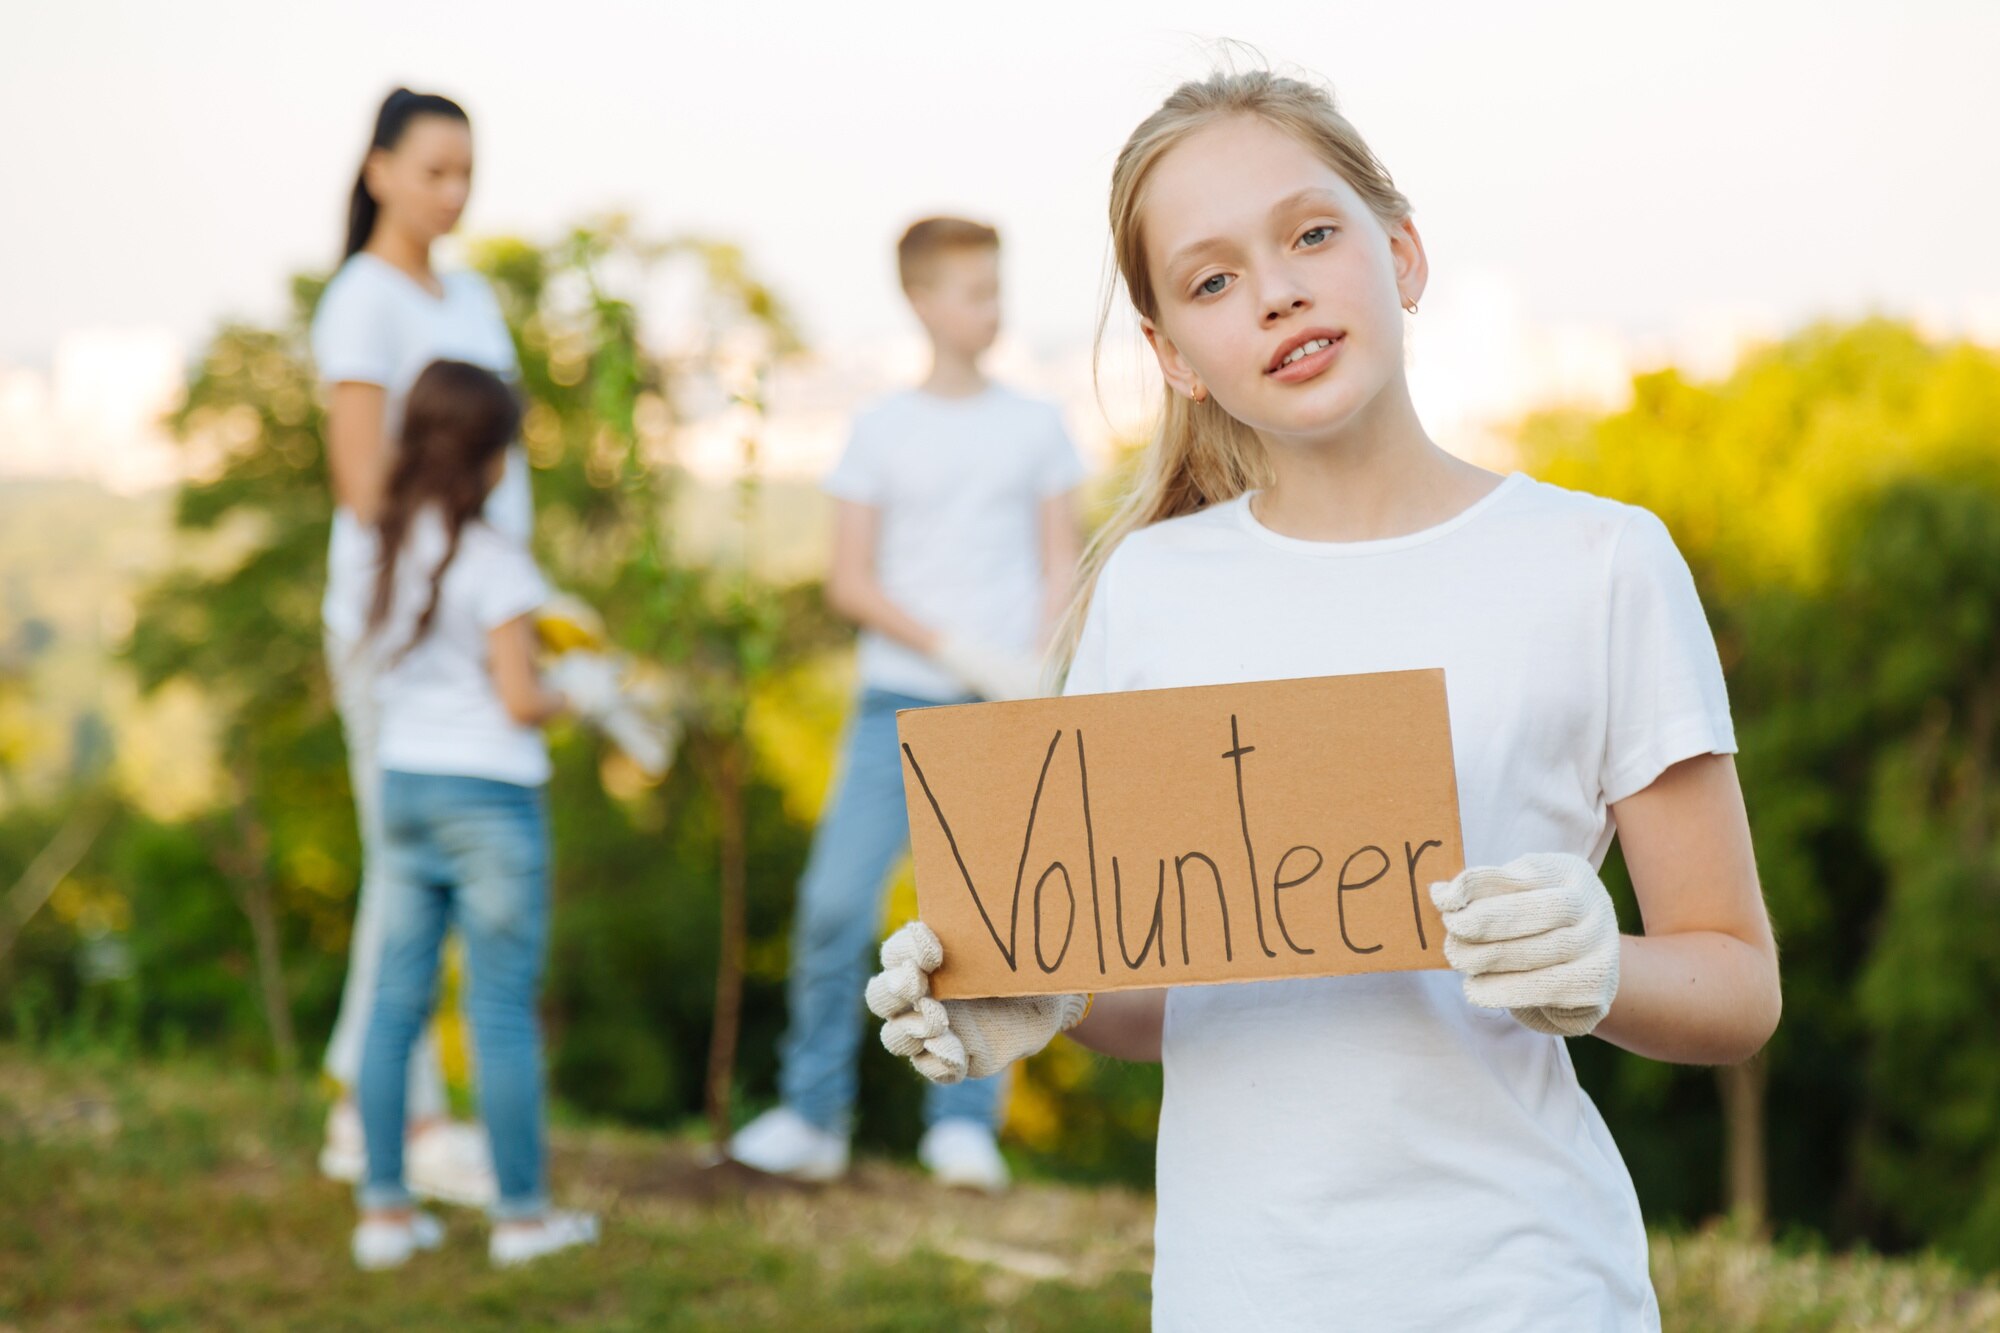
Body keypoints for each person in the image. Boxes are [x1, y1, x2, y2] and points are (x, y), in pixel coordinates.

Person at [865, 70, 1781, 1328]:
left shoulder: (1600, 563)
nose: (1277, 290)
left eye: (1309, 234)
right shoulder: (1152, 588)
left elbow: (1736, 986)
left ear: (1399, 253)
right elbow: (1157, 997)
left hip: (1523, 1284)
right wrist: (1053, 996)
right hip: (1234, 1290)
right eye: (1210, 280)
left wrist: (1597, 964)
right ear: (1171, 358)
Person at [729, 218, 1088, 1190]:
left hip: (1001, 704)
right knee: (832, 905)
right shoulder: (879, 426)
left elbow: (1063, 555)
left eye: (995, 288)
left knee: (985, 921)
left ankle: (963, 1122)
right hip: (895, 694)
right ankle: (811, 1115)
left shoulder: (1036, 422)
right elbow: (850, 578)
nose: (990, 307)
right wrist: (955, 646)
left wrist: (1034, 662)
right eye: (971, 290)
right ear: (921, 300)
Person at [309, 87, 526, 1205]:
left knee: (433, 873)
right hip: (405, 630)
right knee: (410, 872)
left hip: (480, 617)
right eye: (433, 169)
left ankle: (373, 1098)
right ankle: (394, 1112)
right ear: (379, 169)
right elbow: (362, 485)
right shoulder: (362, 303)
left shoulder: (473, 292)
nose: (452, 191)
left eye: (465, 174)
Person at [348, 360, 603, 1270]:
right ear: (494, 455)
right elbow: (519, 698)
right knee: (497, 1011)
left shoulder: (388, 536)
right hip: (489, 798)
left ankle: (383, 1213)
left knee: (393, 1006)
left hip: (406, 787)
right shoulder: (497, 561)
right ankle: (523, 1219)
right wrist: (576, 693)